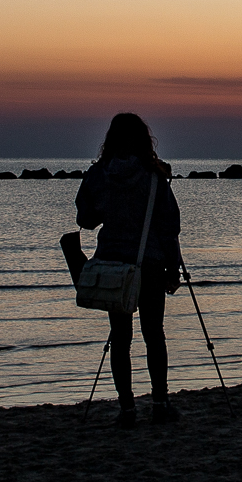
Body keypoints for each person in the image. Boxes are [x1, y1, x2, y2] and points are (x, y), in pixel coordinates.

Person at [75, 112, 185, 427]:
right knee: (154, 335)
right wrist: (174, 268)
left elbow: (85, 219)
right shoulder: (154, 176)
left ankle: (127, 410)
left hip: (113, 264)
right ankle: (161, 404)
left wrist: (104, 209)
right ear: (143, 139)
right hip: (149, 263)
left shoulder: (100, 174)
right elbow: (169, 226)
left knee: (120, 338)